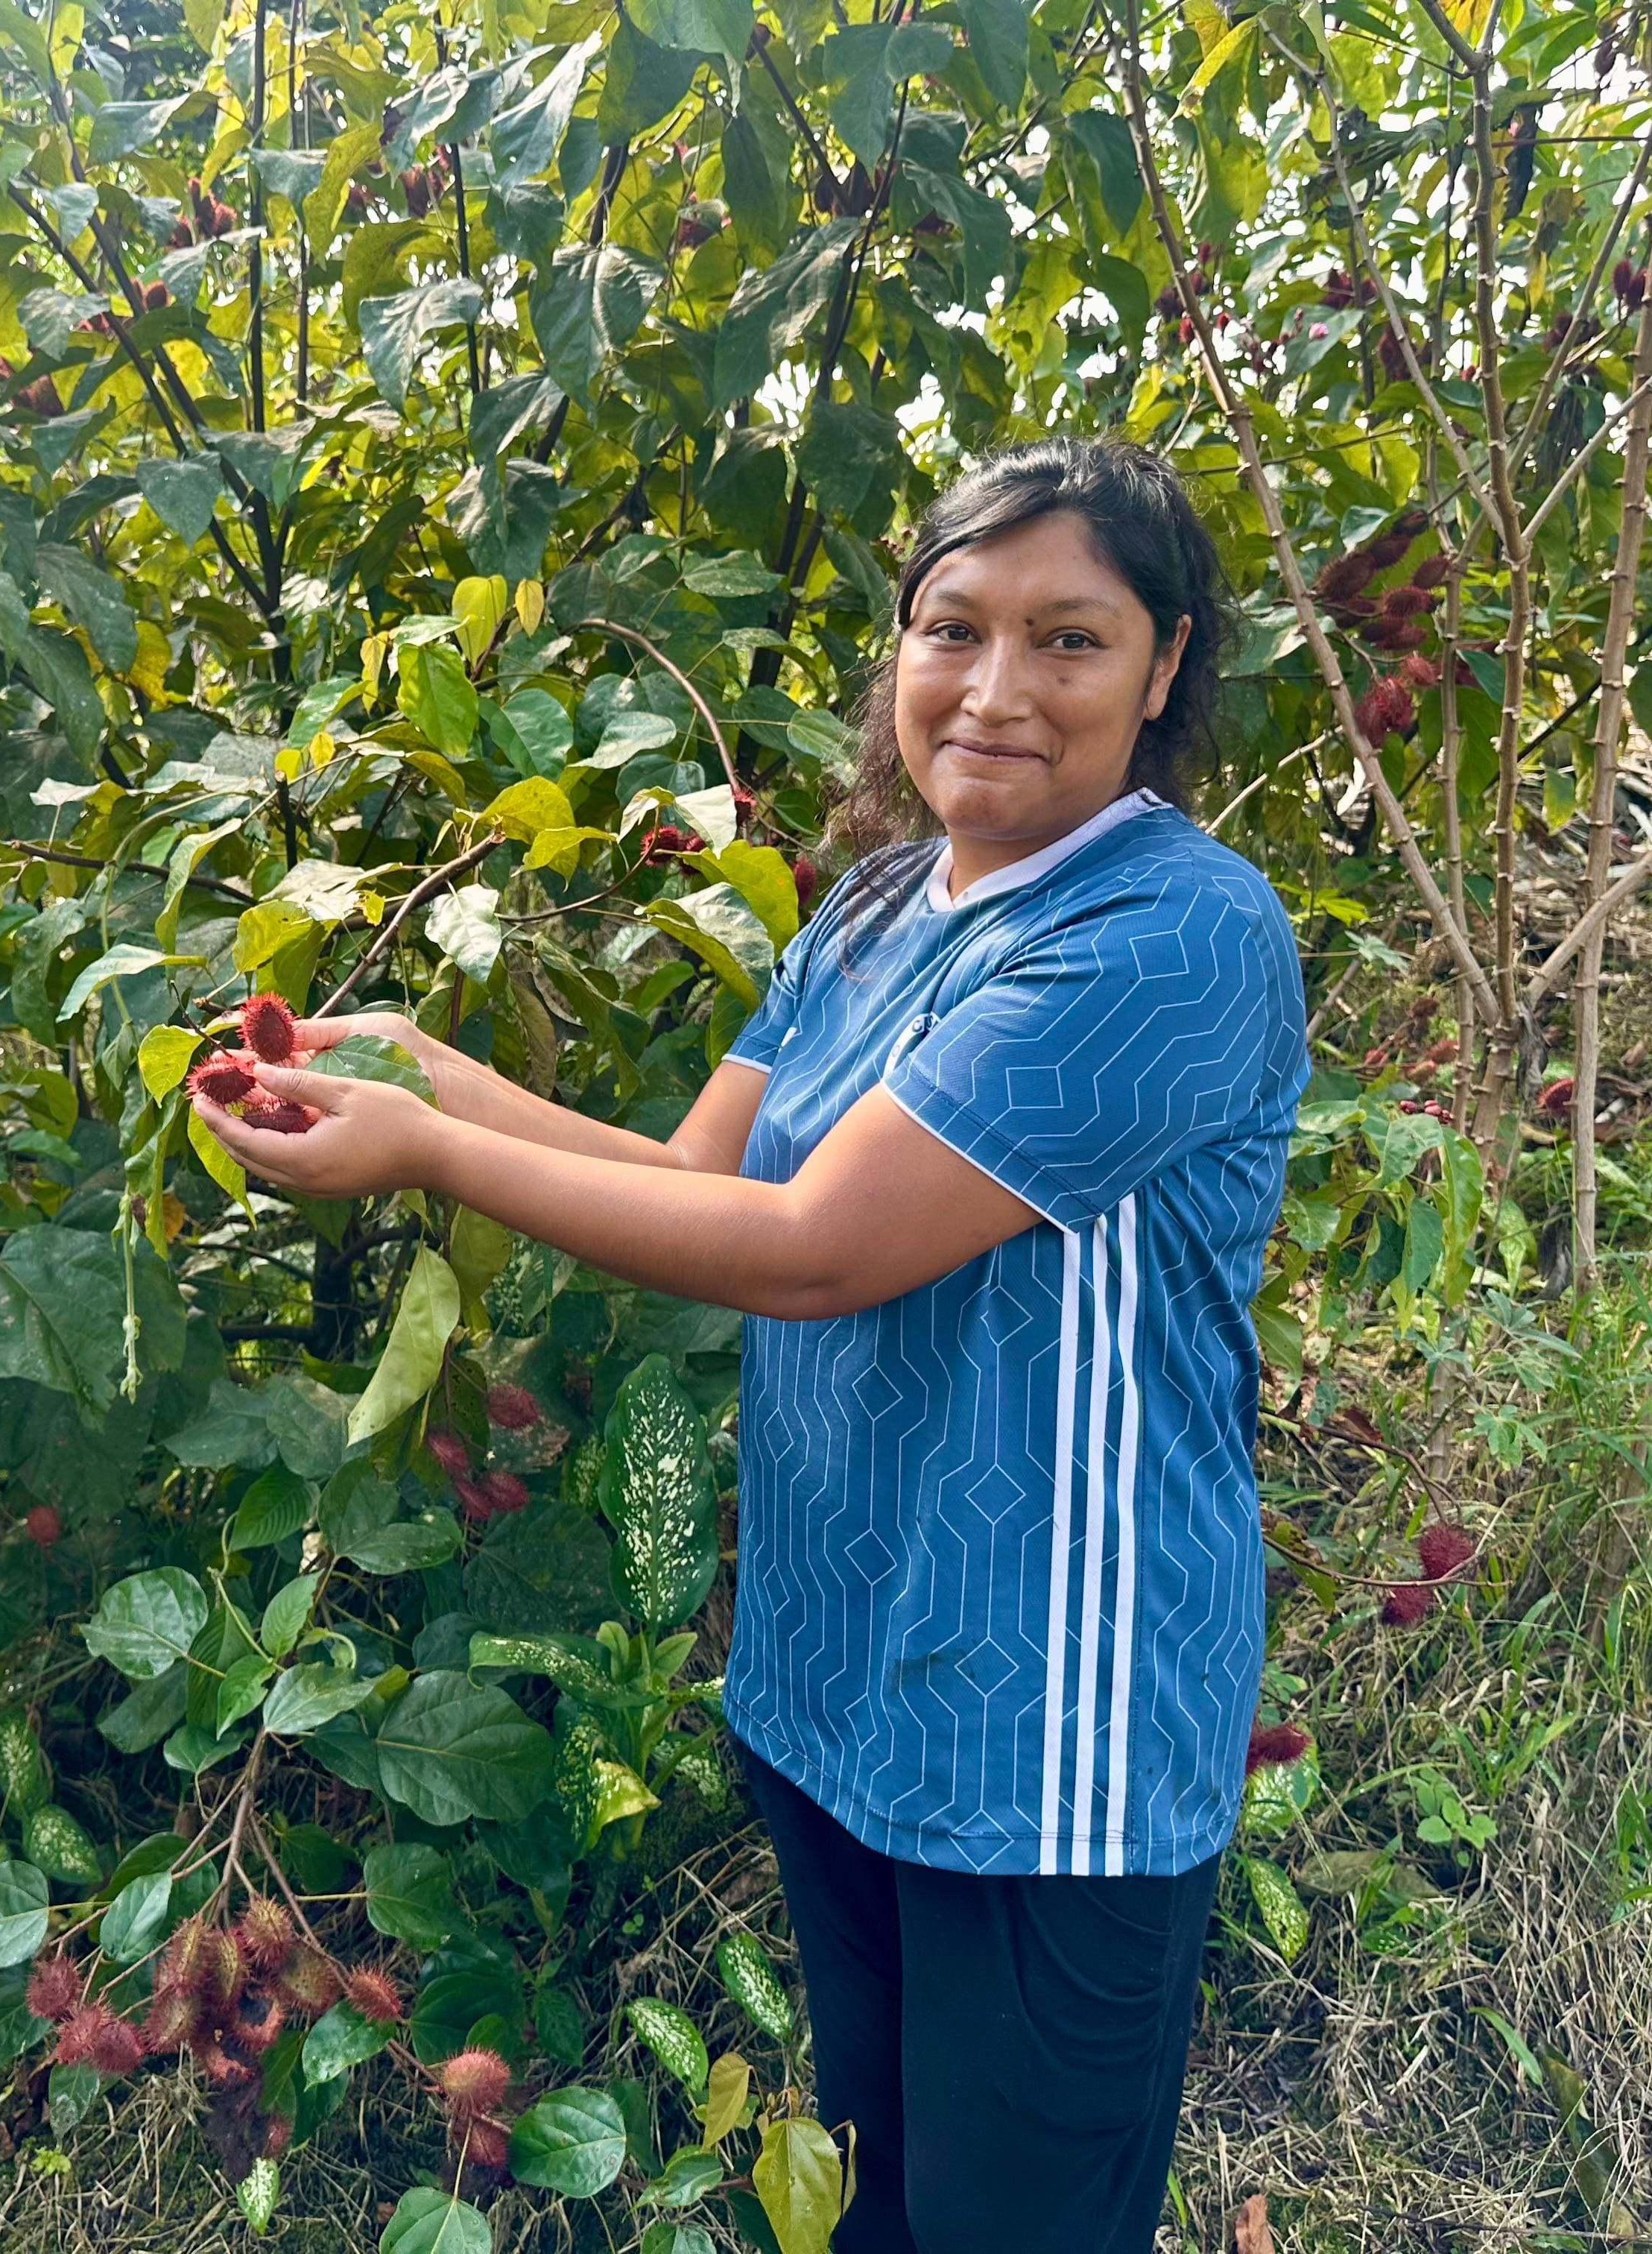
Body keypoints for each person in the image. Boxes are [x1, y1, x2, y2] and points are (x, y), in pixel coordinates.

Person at [194, 438, 1307, 2254]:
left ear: (1166, 664)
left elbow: (812, 1251)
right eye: (954, 627)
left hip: (1052, 1730)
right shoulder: (872, 909)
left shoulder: (1171, 933)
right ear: (901, 645)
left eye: (1070, 639)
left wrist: (428, 1153)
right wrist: (420, 1072)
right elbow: (704, 1185)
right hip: (851, 1677)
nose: (996, 689)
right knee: (882, 2195)